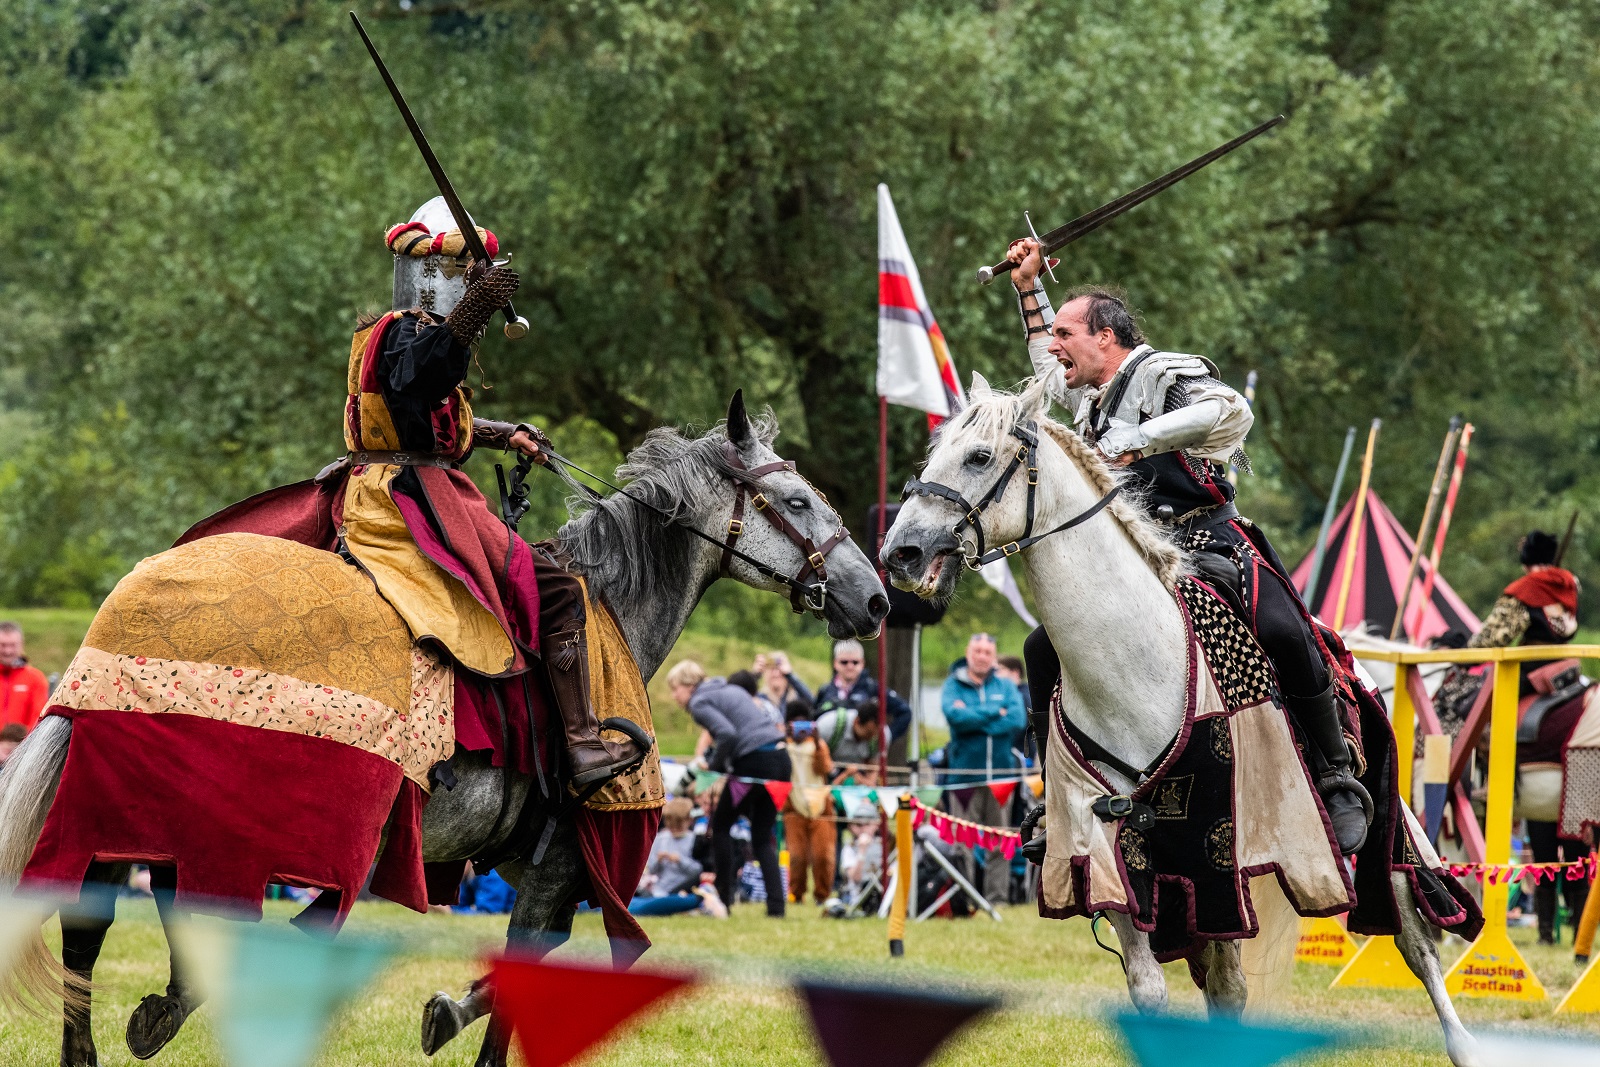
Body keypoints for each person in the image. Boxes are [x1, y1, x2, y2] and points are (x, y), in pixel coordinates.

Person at [1006, 237, 1371, 854]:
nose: (1058, 344)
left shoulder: (1161, 372)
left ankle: (1336, 777)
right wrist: (1028, 287)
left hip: (1204, 535)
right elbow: (1046, 364)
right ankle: (1055, 797)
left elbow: (1230, 409)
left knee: (1282, 630)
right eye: (1059, 333)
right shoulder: (1090, 394)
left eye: (1070, 333)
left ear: (1107, 338)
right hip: (1133, 553)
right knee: (1042, 648)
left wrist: (1140, 438)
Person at [333, 198, 643, 789]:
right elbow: (423, 376)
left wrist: (506, 435)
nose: (470, 288)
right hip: (408, 497)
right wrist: (474, 309)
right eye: (464, 278)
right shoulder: (403, 335)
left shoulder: (394, 334)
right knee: (555, 590)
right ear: (436, 275)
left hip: (400, 480)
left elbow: (422, 416)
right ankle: (581, 746)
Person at [667, 659, 790, 917]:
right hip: (781, 760)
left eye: (674, 688)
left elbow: (728, 735)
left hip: (754, 763)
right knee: (761, 836)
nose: (673, 696)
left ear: (688, 685)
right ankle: (777, 909)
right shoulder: (729, 690)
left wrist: (715, 767)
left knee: (721, 827)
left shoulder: (699, 702)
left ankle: (723, 901)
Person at [941, 633, 1027, 903]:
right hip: (964, 777)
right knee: (961, 842)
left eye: (987, 652)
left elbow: (1016, 718)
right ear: (968, 654)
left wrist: (975, 719)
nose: (981, 656)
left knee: (1000, 841)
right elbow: (955, 717)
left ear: (994, 657)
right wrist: (993, 712)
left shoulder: (1006, 686)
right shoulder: (953, 685)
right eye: (977, 651)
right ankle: (963, 900)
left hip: (1001, 777)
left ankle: (996, 898)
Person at [783, 704, 836, 905]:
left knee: (823, 855)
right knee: (797, 857)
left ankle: (822, 894)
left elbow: (825, 768)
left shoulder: (818, 744)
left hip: (820, 805)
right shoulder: (783, 745)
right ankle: (796, 894)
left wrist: (816, 741)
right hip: (794, 806)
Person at [814, 639, 912, 742]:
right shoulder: (825, 691)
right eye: (844, 662)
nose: (850, 666)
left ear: (862, 663)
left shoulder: (873, 688)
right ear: (835, 663)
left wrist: (886, 738)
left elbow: (904, 712)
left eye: (855, 662)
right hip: (829, 752)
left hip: (862, 754)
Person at [816, 699, 889, 784]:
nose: (871, 738)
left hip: (858, 776)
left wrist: (864, 783)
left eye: (875, 735)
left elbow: (873, 770)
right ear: (856, 721)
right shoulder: (827, 726)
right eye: (868, 733)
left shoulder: (883, 736)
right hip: (826, 771)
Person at [0, 622, 49, 732]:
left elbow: (38, 718)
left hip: (23, 745)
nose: (8, 651)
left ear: (21, 644)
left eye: (12, 645)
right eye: (3, 645)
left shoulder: (35, 678)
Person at [753, 651, 812, 724]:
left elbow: (812, 703)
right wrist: (755, 676)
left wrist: (790, 675)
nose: (776, 674)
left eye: (779, 670)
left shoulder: (796, 699)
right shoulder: (760, 698)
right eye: (772, 669)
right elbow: (740, 700)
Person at [995, 654, 1033, 761]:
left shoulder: (1023, 696)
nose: (995, 675)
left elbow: (1020, 728)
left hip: (1021, 755)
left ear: (1015, 672)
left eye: (1000, 670)